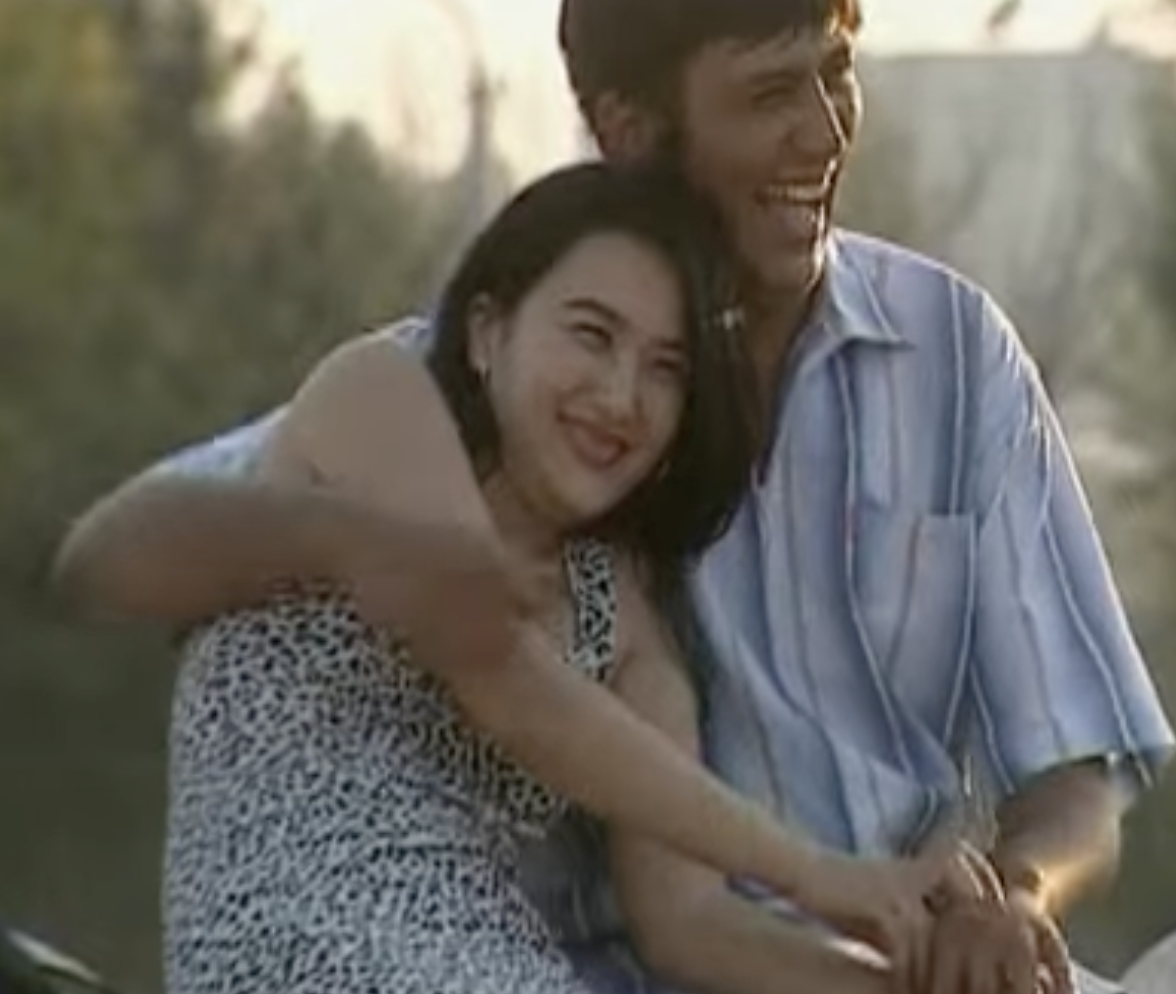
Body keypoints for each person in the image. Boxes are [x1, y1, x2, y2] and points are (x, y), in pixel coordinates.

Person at [55, 0, 1176, 994]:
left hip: (879, 948)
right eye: (769, 93)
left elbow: (1077, 761)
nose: (824, 129)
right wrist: (346, 541)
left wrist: (1009, 900)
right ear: (630, 131)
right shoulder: (438, 389)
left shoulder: (949, 356)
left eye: (837, 74)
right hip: (543, 970)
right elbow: (122, 546)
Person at [162, 159, 970, 994]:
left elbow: (690, 922)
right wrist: (810, 872)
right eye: (592, 335)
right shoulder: (372, 403)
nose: (621, 397)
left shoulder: (621, 622)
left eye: (666, 369)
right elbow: (509, 683)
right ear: (486, 333)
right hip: (288, 960)